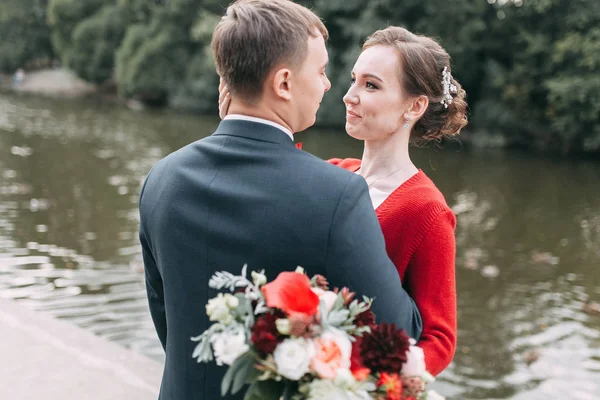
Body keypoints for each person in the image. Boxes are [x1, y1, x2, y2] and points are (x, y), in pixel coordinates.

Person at [138, 2, 422, 399]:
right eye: (321, 72)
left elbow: (168, 317)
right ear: (284, 83)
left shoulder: (162, 179)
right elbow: (397, 332)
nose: (328, 86)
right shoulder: (337, 195)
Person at [219, 26, 465, 377]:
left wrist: (369, 382)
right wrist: (238, 127)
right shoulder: (332, 171)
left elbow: (439, 338)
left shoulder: (427, 210)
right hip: (290, 367)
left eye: (371, 85)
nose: (349, 95)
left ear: (415, 106)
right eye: (354, 80)